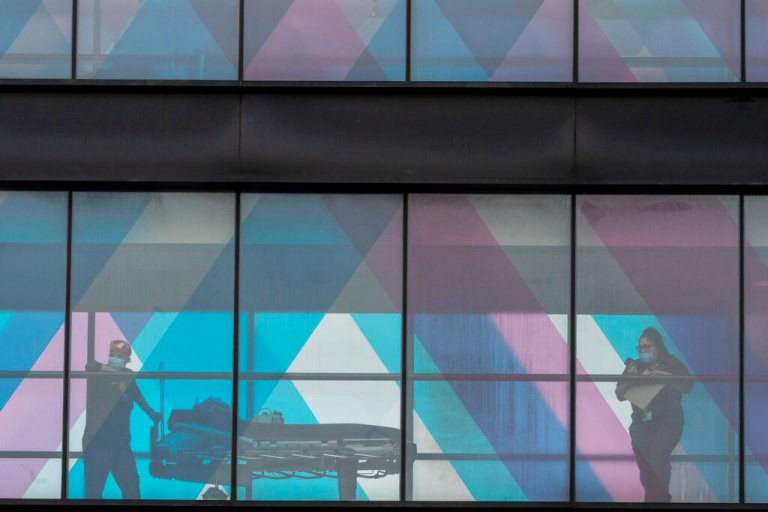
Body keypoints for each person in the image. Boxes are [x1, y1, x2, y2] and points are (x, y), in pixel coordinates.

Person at [615, 327, 693, 503]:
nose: (644, 351)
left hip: (668, 422)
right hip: (641, 425)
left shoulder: (671, 363)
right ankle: (658, 499)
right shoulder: (634, 365)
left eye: (648, 347)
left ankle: (659, 501)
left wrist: (665, 376)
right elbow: (619, 394)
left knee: (658, 457)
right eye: (641, 348)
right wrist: (632, 379)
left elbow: (687, 387)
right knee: (646, 469)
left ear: (658, 347)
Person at [82, 339, 161, 499]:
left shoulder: (129, 380)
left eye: (119, 355)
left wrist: (152, 413)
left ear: (126, 359)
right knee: (94, 491)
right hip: (98, 442)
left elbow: (139, 398)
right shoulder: (99, 374)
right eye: (113, 354)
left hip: (121, 445)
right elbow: (90, 365)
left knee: (131, 487)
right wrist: (117, 373)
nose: (115, 357)